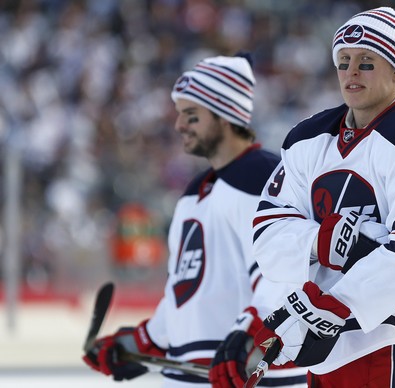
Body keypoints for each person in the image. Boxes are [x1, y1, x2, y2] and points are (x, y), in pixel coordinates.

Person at [251, 7, 395, 388]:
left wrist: (339, 303)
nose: (351, 72)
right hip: (329, 352)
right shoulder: (306, 139)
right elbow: (267, 233)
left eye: (367, 62)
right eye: (344, 61)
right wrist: (322, 242)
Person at [82, 54, 307, 387]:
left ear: (226, 115)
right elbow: (184, 293)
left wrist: (247, 338)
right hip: (191, 375)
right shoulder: (194, 194)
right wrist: (137, 342)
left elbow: (282, 276)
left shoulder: (263, 178)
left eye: (191, 115)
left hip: (249, 376)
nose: (179, 126)